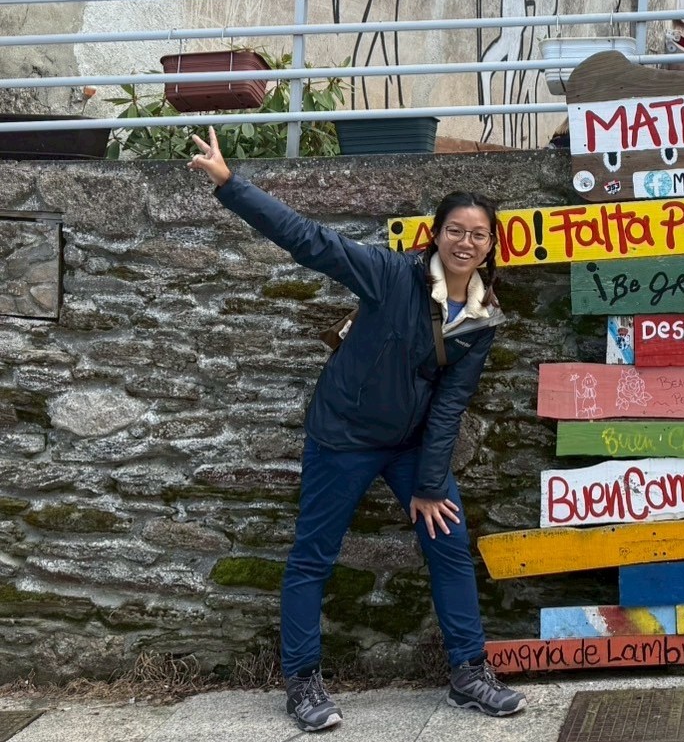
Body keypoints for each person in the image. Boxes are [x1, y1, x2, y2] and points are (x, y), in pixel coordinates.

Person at [187, 126, 526, 732]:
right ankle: (302, 682)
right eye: (455, 230)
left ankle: (469, 673)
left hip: (410, 445)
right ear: (435, 235)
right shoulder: (389, 274)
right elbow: (309, 240)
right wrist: (231, 184)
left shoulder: (482, 318)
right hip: (343, 436)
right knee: (313, 555)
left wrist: (429, 484)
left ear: (491, 245)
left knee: (449, 541)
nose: (465, 242)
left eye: (478, 234)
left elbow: (450, 405)